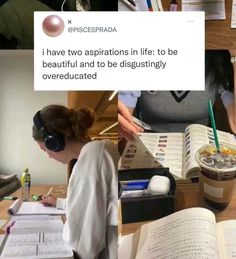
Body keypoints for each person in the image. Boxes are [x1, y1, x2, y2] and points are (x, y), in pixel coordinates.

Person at [32, 105, 118, 259]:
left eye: (44, 149)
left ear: (54, 142)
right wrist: (58, 202)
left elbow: (85, 246)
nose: (48, 156)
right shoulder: (101, 150)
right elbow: (96, 205)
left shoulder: (91, 160)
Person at [119, 50, 236, 137]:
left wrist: (234, 57)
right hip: (150, 141)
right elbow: (124, 112)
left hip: (200, 143)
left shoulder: (219, 62)